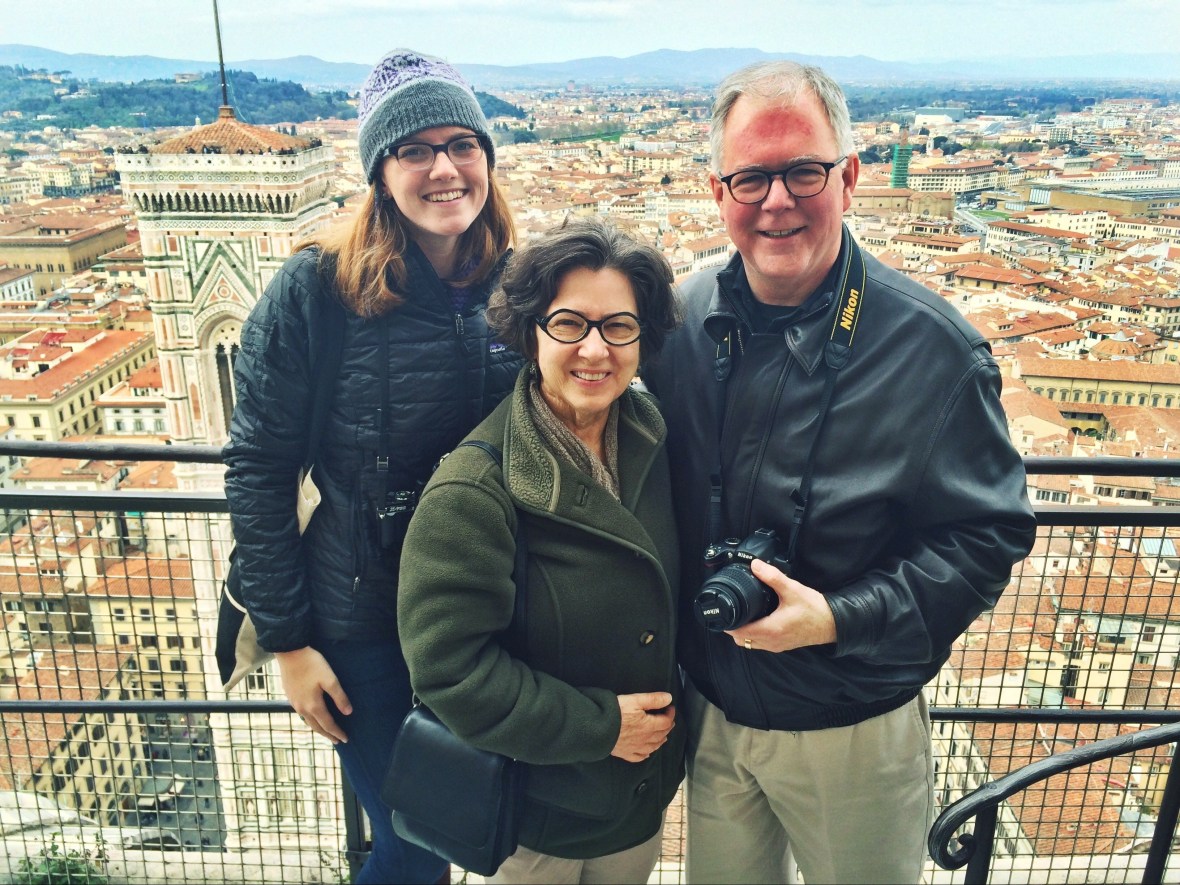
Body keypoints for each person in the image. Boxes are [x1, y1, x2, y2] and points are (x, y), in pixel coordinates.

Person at [642, 60, 1038, 884]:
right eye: (751, 177)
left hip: (853, 723)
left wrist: (839, 617)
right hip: (714, 707)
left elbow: (987, 534)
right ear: (718, 192)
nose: (777, 200)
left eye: (804, 172)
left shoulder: (933, 351)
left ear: (850, 178)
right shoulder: (676, 323)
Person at [223, 49, 521, 884]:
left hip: (490, 610)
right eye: (414, 149)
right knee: (414, 843)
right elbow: (258, 466)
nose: (444, 167)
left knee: (483, 819)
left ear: (487, 159)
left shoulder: (516, 280)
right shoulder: (315, 289)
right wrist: (289, 643)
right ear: (379, 171)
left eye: (463, 143)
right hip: (363, 623)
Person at [397, 217, 683, 885]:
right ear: (531, 332)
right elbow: (449, 673)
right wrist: (600, 727)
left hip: (635, 803)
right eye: (569, 324)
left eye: (619, 325)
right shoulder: (475, 489)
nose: (595, 349)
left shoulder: (652, 436)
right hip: (535, 821)